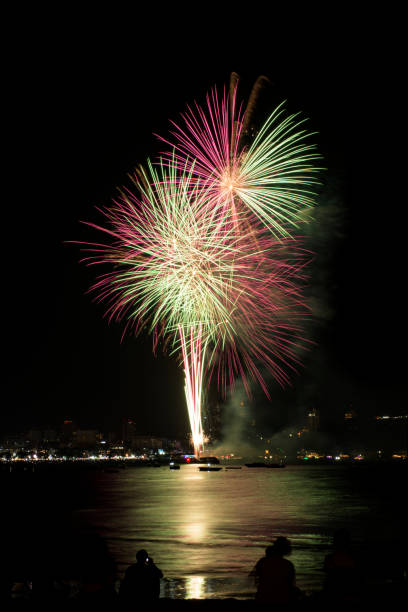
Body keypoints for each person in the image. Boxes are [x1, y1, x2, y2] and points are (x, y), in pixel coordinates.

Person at [251, 536, 297, 605]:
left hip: (263, 595)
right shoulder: (287, 564)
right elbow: (289, 584)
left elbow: (256, 578)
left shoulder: (263, 561)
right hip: (280, 598)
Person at [323, 529, 361, 602]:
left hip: (333, 594)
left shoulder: (329, 559)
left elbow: (328, 579)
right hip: (350, 593)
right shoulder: (355, 559)